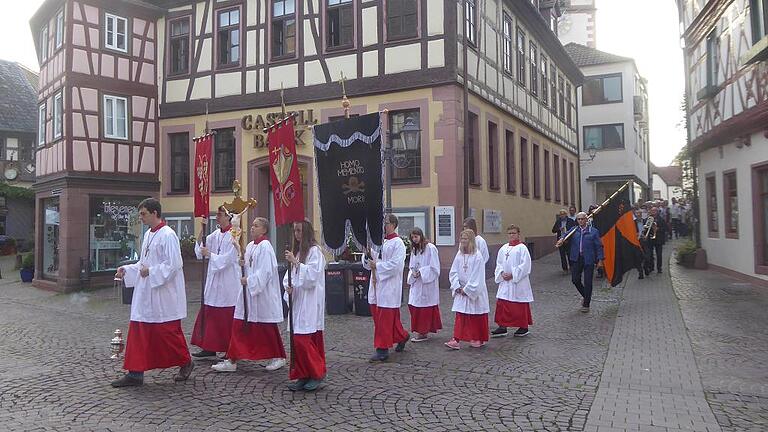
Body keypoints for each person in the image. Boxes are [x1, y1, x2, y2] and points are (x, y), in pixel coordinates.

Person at [111, 198, 193, 387]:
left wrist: (152, 272)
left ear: (155, 213)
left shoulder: (168, 235)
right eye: (140, 214)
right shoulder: (148, 234)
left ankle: (186, 361)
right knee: (139, 330)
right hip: (146, 293)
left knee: (166, 332)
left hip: (163, 293)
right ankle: (135, 373)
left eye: (143, 214)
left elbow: (174, 264)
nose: (141, 218)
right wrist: (128, 270)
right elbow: (143, 263)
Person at [212, 217, 287, 373]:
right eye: (252, 225)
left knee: (267, 328)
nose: (252, 228)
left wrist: (250, 280)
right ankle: (232, 359)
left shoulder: (266, 247)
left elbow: (265, 272)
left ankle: (279, 356)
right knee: (239, 325)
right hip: (248, 293)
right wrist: (242, 261)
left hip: (262, 294)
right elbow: (248, 264)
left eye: (256, 226)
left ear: (264, 230)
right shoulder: (251, 246)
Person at [190, 206, 241, 359]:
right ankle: (209, 346)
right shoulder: (216, 234)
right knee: (210, 313)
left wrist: (210, 255)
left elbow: (228, 258)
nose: (217, 217)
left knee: (225, 317)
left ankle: (228, 348)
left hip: (227, 280)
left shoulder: (235, 233)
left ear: (228, 217)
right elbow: (200, 251)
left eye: (220, 215)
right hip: (214, 281)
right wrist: (202, 228)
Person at [283, 220, 326, 391]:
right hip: (298, 300)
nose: (296, 234)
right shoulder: (299, 252)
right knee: (296, 339)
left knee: (303, 340)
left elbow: (312, 277)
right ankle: (302, 374)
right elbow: (289, 275)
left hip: (310, 301)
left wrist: (296, 263)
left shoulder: (315, 252)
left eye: (299, 230)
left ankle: (317, 372)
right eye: (294, 231)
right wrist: (289, 286)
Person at [364, 214, 409, 362]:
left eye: (387, 223)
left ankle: (382, 349)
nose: (384, 226)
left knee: (385, 318)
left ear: (394, 225)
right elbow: (368, 263)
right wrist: (367, 255)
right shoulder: (378, 242)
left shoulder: (398, 244)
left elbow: (396, 266)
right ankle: (402, 336)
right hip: (376, 284)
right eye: (382, 223)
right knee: (381, 317)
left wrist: (377, 266)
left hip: (389, 286)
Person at [445, 229, 490, 349]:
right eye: (462, 239)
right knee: (461, 315)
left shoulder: (477, 256)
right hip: (461, 290)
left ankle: (477, 338)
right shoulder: (459, 254)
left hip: (474, 291)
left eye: (465, 239)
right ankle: (456, 339)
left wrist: (468, 289)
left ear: (471, 240)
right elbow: (453, 271)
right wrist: (457, 286)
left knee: (476, 315)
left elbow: (478, 275)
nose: (463, 241)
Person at [556, 212, 604, 313]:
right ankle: (586, 296)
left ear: (586, 220)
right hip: (576, 258)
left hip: (588, 259)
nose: (581, 221)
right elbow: (565, 235)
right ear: (577, 220)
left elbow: (599, 246)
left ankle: (586, 304)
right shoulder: (574, 230)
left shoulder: (593, 231)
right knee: (575, 280)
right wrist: (561, 239)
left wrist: (600, 260)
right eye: (579, 219)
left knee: (588, 282)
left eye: (582, 219)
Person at [491, 224, 533, 338]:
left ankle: (523, 327)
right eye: (509, 233)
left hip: (518, 282)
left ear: (518, 234)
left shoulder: (522, 248)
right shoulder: (503, 248)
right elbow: (498, 263)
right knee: (503, 303)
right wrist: (501, 273)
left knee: (519, 304)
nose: (511, 235)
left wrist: (513, 275)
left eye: (514, 233)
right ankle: (502, 326)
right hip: (505, 281)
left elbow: (525, 265)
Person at [406, 227, 442, 342]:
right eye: (412, 237)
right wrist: (413, 272)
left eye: (416, 236)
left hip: (427, 284)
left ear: (421, 236)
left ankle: (423, 332)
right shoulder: (414, 250)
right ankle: (420, 331)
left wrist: (421, 272)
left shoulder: (430, 248)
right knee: (415, 306)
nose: (414, 239)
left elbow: (435, 268)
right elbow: (412, 265)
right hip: (417, 283)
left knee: (424, 309)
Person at [644, 206, 668, 275]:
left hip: (659, 239)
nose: (653, 212)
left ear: (657, 212)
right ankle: (651, 267)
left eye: (655, 211)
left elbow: (665, 228)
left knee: (659, 254)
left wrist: (658, 229)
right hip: (650, 239)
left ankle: (659, 268)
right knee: (650, 254)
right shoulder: (648, 219)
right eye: (652, 211)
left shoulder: (661, 219)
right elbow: (645, 228)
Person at [552, 209, 576, 274]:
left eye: (563, 214)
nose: (562, 215)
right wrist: (558, 229)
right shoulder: (558, 222)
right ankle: (565, 269)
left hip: (568, 240)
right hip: (560, 240)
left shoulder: (570, 221)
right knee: (562, 255)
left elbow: (574, 229)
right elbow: (553, 230)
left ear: (566, 214)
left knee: (569, 254)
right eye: (561, 214)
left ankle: (571, 267)